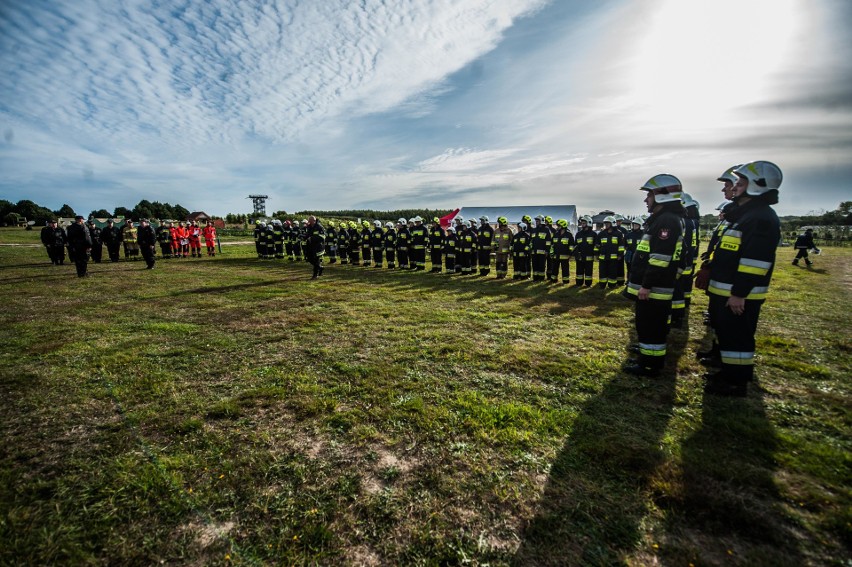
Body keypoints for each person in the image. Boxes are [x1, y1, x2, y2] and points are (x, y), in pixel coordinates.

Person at [704, 161, 782, 396]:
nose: (735, 186)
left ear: (758, 185)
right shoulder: (746, 215)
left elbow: (755, 261)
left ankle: (735, 382)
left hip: (738, 294)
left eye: (740, 182)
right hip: (728, 290)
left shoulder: (760, 218)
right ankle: (728, 373)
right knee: (728, 334)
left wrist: (739, 293)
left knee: (737, 338)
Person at [622, 174, 685, 377]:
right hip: (657, 287)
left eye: (649, 195)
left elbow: (659, 259)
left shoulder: (666, 221)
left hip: (654, 290)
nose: (645, 200)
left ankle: (650, 365)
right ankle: (647, 358)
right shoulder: (665, 219)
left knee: (651, 326)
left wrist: (647, 285)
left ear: (662, 195)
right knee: (647, 325)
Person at [594, 216, 625, 289]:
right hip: (603, 257)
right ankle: (602, 285)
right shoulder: (601, 234)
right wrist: (596, 254)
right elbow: (597, 245)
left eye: (608, 223)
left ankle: (612, 285)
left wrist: (620, 255)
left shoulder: (618, 234)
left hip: (613, 258)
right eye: (605, 223)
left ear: (612, 224)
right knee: (602, 272)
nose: (606, 225)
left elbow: (621, 245)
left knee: (612, 272)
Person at [551, 219, 575, 284]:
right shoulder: (556, 234)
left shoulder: (569, 235)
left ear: (563, 225)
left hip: (565, 256)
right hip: (556, 255)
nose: (557, 227)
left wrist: (570, 253)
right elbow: (552, 244)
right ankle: (553, 280)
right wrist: (552, 252)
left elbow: (572, 245)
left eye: (558, 225)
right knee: (554, 269)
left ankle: (566, 281)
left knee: (565, 269)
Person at [574, 216, 596, 287]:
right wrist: (576, 253)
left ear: (589, 223)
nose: (582, 224)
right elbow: (575, 245)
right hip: (580, 256)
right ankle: (579, 283)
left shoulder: (593, 234)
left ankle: (588, 284)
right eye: (582, 223)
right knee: (579, 271)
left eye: (584, 223)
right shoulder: (578, 234)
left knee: (588, 272)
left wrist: (595, 254)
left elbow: (596, 246)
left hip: (589, 257)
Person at [530, 214, 552, 281]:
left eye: (538, 221)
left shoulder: (546, 230)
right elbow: (531, 241)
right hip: (534, 251)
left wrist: (547, 251)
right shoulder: (534, 230)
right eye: (536, 221)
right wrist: (530, 249)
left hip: (542, 252)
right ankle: (535, 277)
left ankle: (541, 278)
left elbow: (548, 241)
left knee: (541, 265)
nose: (536, 222)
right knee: (534, 265)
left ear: (542, 221)